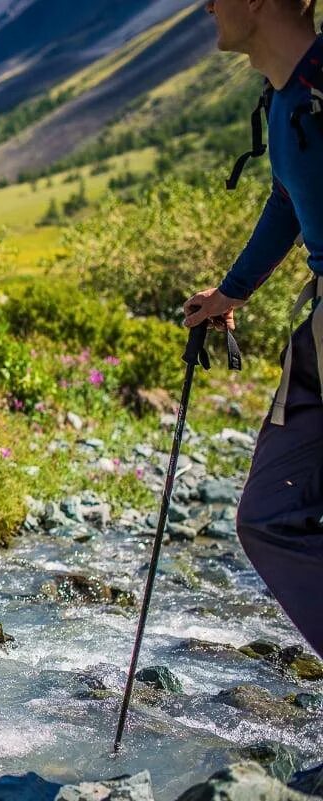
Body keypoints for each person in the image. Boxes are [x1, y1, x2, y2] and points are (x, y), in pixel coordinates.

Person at [184, 0, 323, 655]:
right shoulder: (287, 99)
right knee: (268, 515)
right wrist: (230, 292)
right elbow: (287, 200)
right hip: (321, 329)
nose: (207, 4)